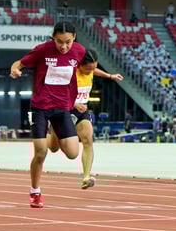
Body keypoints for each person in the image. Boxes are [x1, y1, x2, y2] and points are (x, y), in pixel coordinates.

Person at [10, 22, 86, 208]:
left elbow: (88, 70)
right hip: (41, 107)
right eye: (59, 41)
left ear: (74, 38)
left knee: (72, 153)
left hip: (62, 108)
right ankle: (35, 192)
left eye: (67, 42)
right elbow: (19, 62)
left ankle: (53, 133)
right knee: (41, 152)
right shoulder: (43, 50)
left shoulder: (80, 51)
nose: (63, 46)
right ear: (53, 38)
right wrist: (15, 69)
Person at [47, 49, 123, 189]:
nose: (90, 71)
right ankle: (51, 131)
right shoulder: (69, 73)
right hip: (64, 109)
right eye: (88, 69)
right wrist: (74, 103)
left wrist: (110, 76)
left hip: (82, 111)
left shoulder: (91, 69)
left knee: (88, 139)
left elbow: (95, 71)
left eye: (93, 68)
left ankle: (86, 176)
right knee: (53, 148)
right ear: (80, 65)